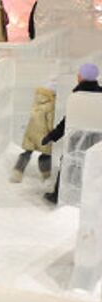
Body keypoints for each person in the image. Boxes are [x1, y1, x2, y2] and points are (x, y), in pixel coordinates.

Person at [42, 64, 102, 204]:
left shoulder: (78, 96)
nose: (77, 76)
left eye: (79, 74)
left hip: (77, 139)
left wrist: (52, 136)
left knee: (70, 164)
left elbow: (67, 122)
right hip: (98, 139)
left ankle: (60, 196)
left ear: (82, 76)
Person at [10, 84, 56, 183]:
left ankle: (17, 172)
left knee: (27, 153)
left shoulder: (37, 103)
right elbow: (50, 122)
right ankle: (46, 175)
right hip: (44, 135)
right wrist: (53, 133)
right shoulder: (50, 106)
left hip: (31, 133)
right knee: (46, 155)